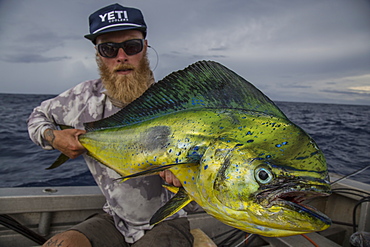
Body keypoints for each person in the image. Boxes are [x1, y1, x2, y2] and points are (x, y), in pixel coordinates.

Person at [28, 3, 194, 247]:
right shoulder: (82, 99)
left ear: (145, 47)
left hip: (167, 219)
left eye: (131, 46)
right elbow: (37, 116)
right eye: (108, 49)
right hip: (114, 219)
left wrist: (188, 178)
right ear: (98, 53)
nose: (121, 57)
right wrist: (54, 137)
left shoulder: (176, 102)